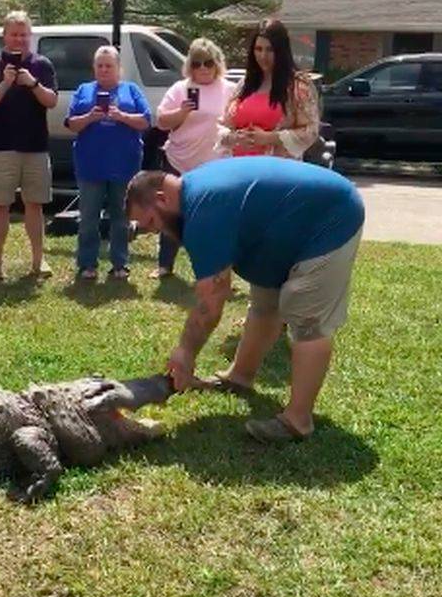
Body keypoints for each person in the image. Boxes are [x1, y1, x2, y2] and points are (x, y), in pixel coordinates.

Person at [126, 157, 365, 443]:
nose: (156, 231)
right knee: (265, 306)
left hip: (330, 219)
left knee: (307, 321)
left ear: (162, 198)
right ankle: (240, 377)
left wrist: (185, 352)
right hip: (288, 226)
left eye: (152, 222)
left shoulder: (203, 209)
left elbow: (212, 301)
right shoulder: (195, 195)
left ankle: (298, 421)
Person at [0, 11, 58, 280]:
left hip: (35, 146)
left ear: (30, 37)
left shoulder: (42, 65)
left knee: (35, 204)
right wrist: (5, 82)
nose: (19, 39)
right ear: (4, 36)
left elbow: (51, 101)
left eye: (24, 34)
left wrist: (32, 83)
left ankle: (38, 260)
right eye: (14, 34)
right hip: (2, 147)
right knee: (0, 205)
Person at [153, 37, 236, 278]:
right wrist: (181, 112)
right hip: (180, 159)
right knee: (172, 212)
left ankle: (216, 269)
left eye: (208, 63)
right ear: (190, 65)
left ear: (217, 64)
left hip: (216, 162)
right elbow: (160, 121)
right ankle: (164, 265)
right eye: (197, 63)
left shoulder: (229, 89)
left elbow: (237, 118)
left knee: (215, 217)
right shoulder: (180, 89)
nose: (203, 69)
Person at [66, 45, 151, 280]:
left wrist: (121, 116)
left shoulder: (131, 90)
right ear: (94, 68)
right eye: (100, 65)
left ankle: (120, 264)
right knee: (89, 218)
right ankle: (87, 264)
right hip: (90, 166)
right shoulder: (83, 91)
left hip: (124, 166)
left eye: (109, 66)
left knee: (121, 218)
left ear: (118, 69)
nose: (104, 70)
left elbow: (146, 121)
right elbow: (71, 124)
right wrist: (89, 117)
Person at [217, 18, 319, 159]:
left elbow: (310, 132)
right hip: (240, 169)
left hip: (278, 171)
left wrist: (270, 138)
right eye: (258, 49)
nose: (263, 56)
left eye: (270, 50)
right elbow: (223, 126)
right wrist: (236, 137)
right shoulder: (244, 84)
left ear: (281, 51)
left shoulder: (298, 86)